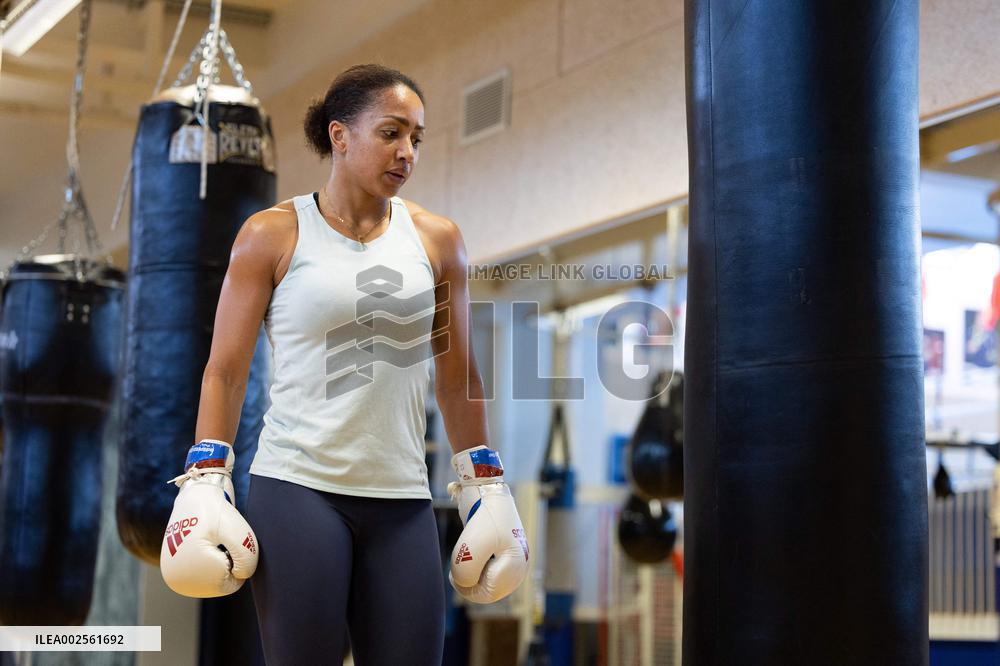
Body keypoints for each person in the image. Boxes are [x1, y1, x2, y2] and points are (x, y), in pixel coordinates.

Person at [158, 64, 529, 664]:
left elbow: (458, 376)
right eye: (391, 133)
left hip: (403, 498)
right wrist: (205, 478)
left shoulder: (437, 241)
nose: (407, 152)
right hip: (299, 489)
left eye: (416, 138)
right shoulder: (271, 235)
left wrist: (486, 487)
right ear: (339, 135)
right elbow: (225, 370)